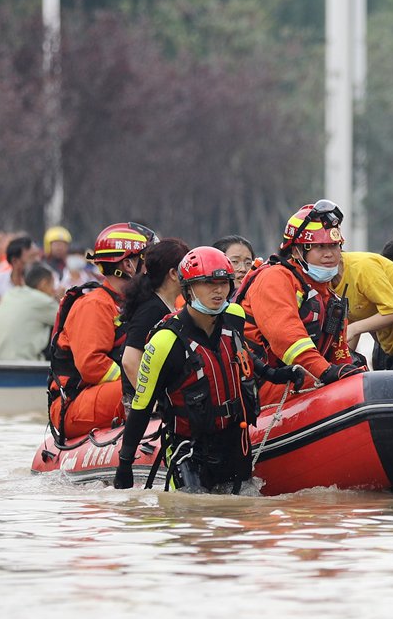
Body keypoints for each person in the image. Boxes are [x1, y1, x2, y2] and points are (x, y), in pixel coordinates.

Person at [113, 247, 304, 493]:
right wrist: (125, 464)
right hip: (190, 450)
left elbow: (245, 356)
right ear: (189, 288)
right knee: (195, 512)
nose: (218, 290)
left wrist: (278, 375)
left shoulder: (234, 316)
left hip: (235, 444)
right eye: (208, 283)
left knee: (244, 510)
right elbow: (142, 405)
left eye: (223, 283)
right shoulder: (165, 340)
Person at [238, 201, 362, 406]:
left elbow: (339, 354)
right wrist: (325, 371)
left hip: (303, 380)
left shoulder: (330, 296)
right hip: (266, 383)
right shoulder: (275, 278)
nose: (330, 254)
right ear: (296, 251)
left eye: (334, 245)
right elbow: (287, 337)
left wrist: (353, 376)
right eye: (320, 247)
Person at [48, 222, 156, 441]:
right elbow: (92, 365)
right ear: (127, 265)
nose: (151, 269)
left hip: (100, 394)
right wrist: (140, 380)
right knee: (147, 391)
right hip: (75, 404)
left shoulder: (132, 304)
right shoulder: (95, 305)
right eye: (146, 261)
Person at [120, 239, 190, 390]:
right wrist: (151, 405)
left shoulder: (168, 304)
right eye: (187, 268)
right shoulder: (151, 309)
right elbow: (130, 361)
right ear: (173, 274)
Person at [0, 263, 60, 360]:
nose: (54, 291)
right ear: (43, 284)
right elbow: (69, 321)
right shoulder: (42, 301)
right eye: (52, 285)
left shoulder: (10, 294)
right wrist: (63, 300)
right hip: (20, 366)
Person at [0, 235, 43, 301]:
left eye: (38, 256)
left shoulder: (47, 281)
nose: (37, 261)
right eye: (32, 257)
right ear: (15, 261)